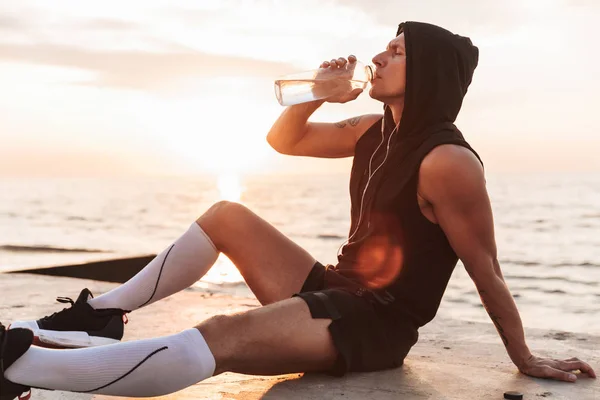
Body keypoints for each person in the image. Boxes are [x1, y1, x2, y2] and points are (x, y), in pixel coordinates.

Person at [1, 21, 596, 400]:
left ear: (430, 76)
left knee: (220, 336)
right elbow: (284, 142)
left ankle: (18, 369)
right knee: (226, 214)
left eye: (396, 51)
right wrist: (315, 93)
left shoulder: (448, 161)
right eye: (384, 47)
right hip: (340, 287)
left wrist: (523, 356)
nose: (378, 56)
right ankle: (98, 315)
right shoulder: (372, 129)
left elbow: (485, 268)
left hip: (377, 326)